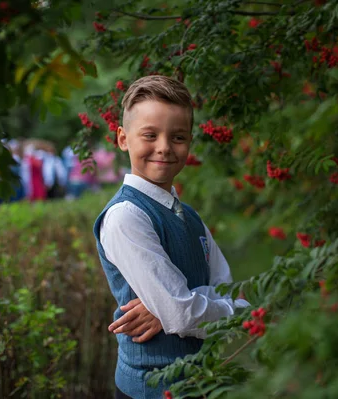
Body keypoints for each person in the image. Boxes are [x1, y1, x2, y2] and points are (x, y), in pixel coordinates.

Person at [92, 75, 249, 399]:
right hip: (151, 389)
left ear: (189, 142)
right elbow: (184, 312)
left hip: (201, 382)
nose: (164, 147)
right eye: (150, 135)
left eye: (177, 137)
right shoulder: (126, 216)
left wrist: (165, 309)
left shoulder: (189, 216)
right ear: (123, 138)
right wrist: (178, 310)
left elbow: (226, 289)